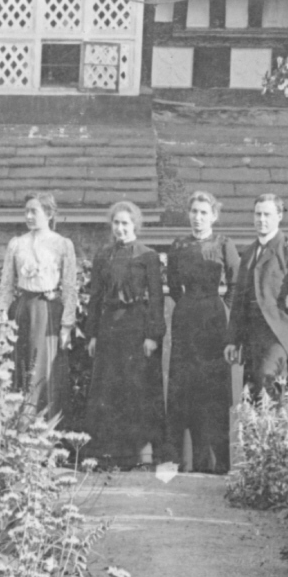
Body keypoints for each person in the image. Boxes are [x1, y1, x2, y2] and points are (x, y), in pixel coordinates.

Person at [84, 198, 167, 469]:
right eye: (116, 223)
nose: (120, 229)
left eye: (125, 223)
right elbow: (95, 298)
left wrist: (152, 335)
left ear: (135, 226)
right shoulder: (102, 256)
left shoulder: (149, 256)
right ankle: (108, 454)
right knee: (108, 390)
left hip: (136, 327)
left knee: (136, 389)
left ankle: (138, 455)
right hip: (109, 328)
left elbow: (156, 299)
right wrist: (93, 335)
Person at [163, 190, 239, 475]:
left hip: (213, 320)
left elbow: (236, 284)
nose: (197, 217)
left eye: (204, 212)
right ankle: (177, 464)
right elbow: (171, 283)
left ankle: (215, 465)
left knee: (212, 391)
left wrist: (223, 309)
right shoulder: (179, 245)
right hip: (185, 319)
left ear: (214, 216)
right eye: (194, 212)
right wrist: (186, 306)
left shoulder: (224, 244)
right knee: (183, 387)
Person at [0, 193, 80, 417]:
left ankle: (45, 429)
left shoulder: (62, 244)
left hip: (48, 312)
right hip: (22, 311)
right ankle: (18, 427)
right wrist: (2, 321)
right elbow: (6, 285)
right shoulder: (17, 244)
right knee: (20, 368)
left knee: (45, 368)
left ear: (49, 214)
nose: (29, 216)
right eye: (26, 211)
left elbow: (70, 286)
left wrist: (67, 325)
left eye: (35, 211)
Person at [230, 191, 288, 407]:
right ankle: (262, 439)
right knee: (253, 390)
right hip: (252, 333)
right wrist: (232, 340)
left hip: (278, 331)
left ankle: (279, 436)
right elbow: (239, 299)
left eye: (267, 215)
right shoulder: (248, 253)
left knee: (269, 379)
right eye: (257, 214)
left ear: (279, 216)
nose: (261, 220)